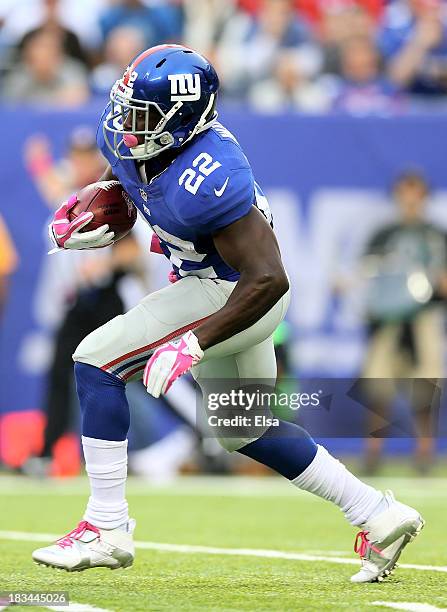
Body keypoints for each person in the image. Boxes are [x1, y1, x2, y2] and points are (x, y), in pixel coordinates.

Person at [32, 44, 424, 584]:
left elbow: (269, 277)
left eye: (142, 116)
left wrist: (193, 342)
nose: (126, 125)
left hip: (238, 294)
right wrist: (107, 204)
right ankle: (378, 514)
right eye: (126, 109)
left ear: (182, 118)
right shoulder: (127, 136)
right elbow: (128, 178)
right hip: (211, 286)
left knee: (95, 359)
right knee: (245, 428)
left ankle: (107, 526)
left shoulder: (212, 174)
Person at [360, 171, 447, 475]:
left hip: (423, 319)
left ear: (423, 197)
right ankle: (373, 452)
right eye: (404, 192)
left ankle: (425, 451)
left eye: (415, 193)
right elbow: (365, 273)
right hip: (389, 321)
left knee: (425, 389)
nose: (409, 199)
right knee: (378, 388)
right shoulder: (384, 235)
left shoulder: (436, 236)